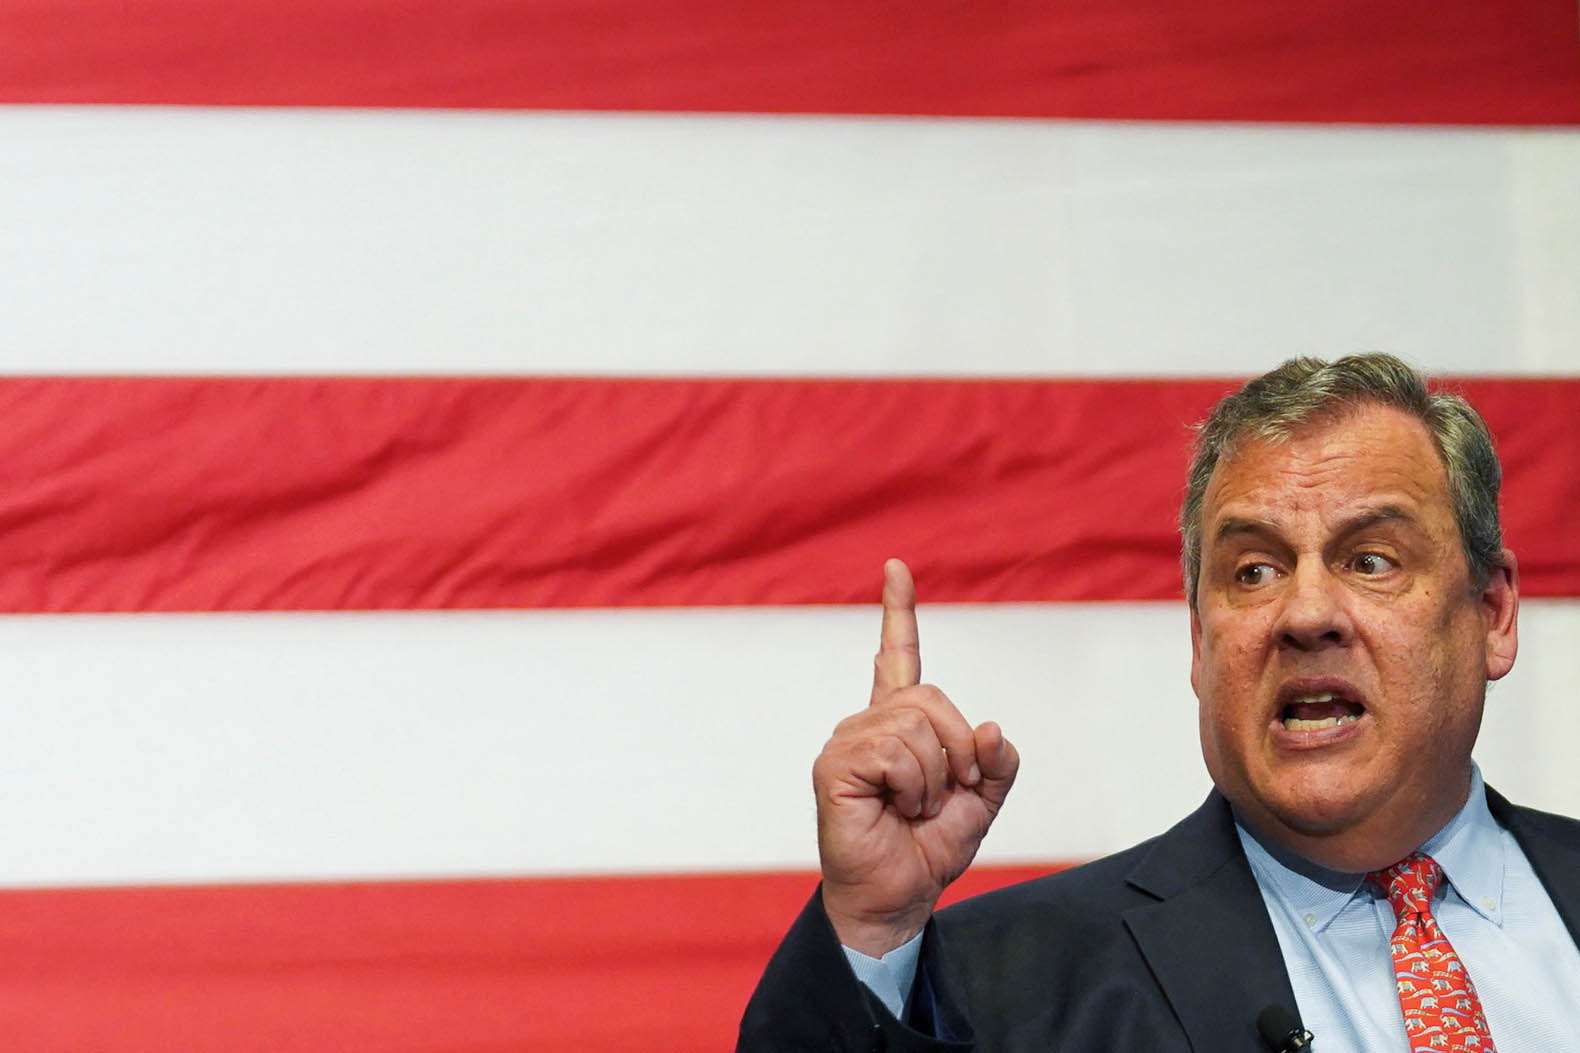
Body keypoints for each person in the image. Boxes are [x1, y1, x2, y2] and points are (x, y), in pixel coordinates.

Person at [738, 354, 1580, 1051]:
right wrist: (873, 928)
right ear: (1200, 643)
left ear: (1493, 614)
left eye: (1371, 559)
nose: (1306, 613)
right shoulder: (1004, 986)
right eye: (1254, 571)